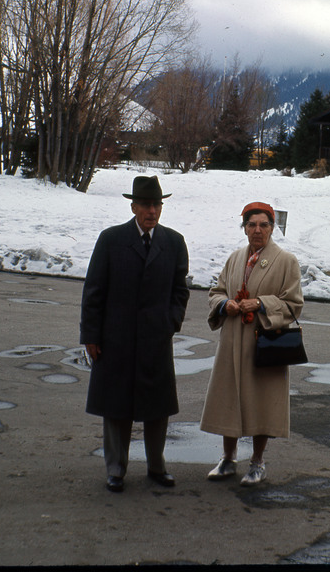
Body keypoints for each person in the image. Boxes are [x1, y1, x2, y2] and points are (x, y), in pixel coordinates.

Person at [80, 175, 189, 493]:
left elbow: (179, 290)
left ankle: (157, 466)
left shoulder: (173, 242)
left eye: (156, 204)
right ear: (133, 206)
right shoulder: (111, 240)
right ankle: (116, 469)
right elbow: (94, 291)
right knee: (116, 406)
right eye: (145, 204)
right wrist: (91, 335)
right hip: (116, 339)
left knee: (158, 406)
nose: (151, 211)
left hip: (156, 338)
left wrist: (171, 321)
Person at [200, 201, 304, 486]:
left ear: (272, 228)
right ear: (244, 228)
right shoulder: (235, 258)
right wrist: (225, 305)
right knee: (229, 398)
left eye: (263, 224)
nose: (257, 230)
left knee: (263, 403)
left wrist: (260, 303)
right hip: (233, 340)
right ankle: (228, 458)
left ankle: (257, 463)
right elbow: (216, 291)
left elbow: (294, 304)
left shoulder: (286, 261)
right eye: (251, 224)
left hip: (265, 343)